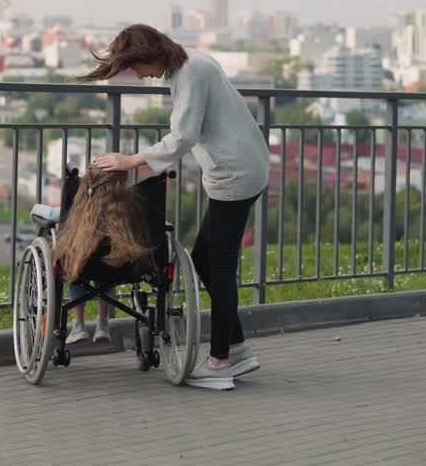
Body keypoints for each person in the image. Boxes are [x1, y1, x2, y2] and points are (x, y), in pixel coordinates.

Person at [81, 24, 269, 391]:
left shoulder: (190, 73)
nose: (138, 75)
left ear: (149, 55)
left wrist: (131, 161)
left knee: (221, 265)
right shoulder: (192, 64)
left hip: (235, 173)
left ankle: (220, 362)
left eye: (136, 67)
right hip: (240, 167)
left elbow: (183, 136)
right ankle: (238, 347)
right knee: (203, 260)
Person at [53, 168, 156, 344]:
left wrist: (37, 211)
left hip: (83, 265)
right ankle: (102, 323)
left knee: (75, 263)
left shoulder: (80, 208)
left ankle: (78, 324)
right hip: (120, 267)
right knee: (110, 263)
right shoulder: (133, 207)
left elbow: (58, 216)